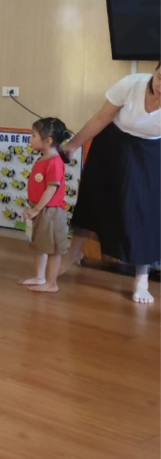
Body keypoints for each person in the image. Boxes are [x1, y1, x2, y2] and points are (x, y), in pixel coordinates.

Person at [61, 61, 161, 304]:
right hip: (113, 143)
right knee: (94, 197)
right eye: (160, 78)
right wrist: (72, 146)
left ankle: (142, 278)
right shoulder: (131, 84)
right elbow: (101, 118)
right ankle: (73, 253)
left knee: (144, 212)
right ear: (156, 71)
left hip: (151, 151)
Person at [18, 117, 72, 294]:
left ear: (48, 140)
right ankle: (39, 277)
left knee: (53, 250)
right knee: (40, 245)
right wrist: (32, 207)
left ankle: (51, 283)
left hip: (51, 212)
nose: (31, 139)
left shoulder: (55, 162)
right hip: (41, 209)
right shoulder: (43, 159)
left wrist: (36, 209)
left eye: (33, 135)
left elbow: (51, 189)